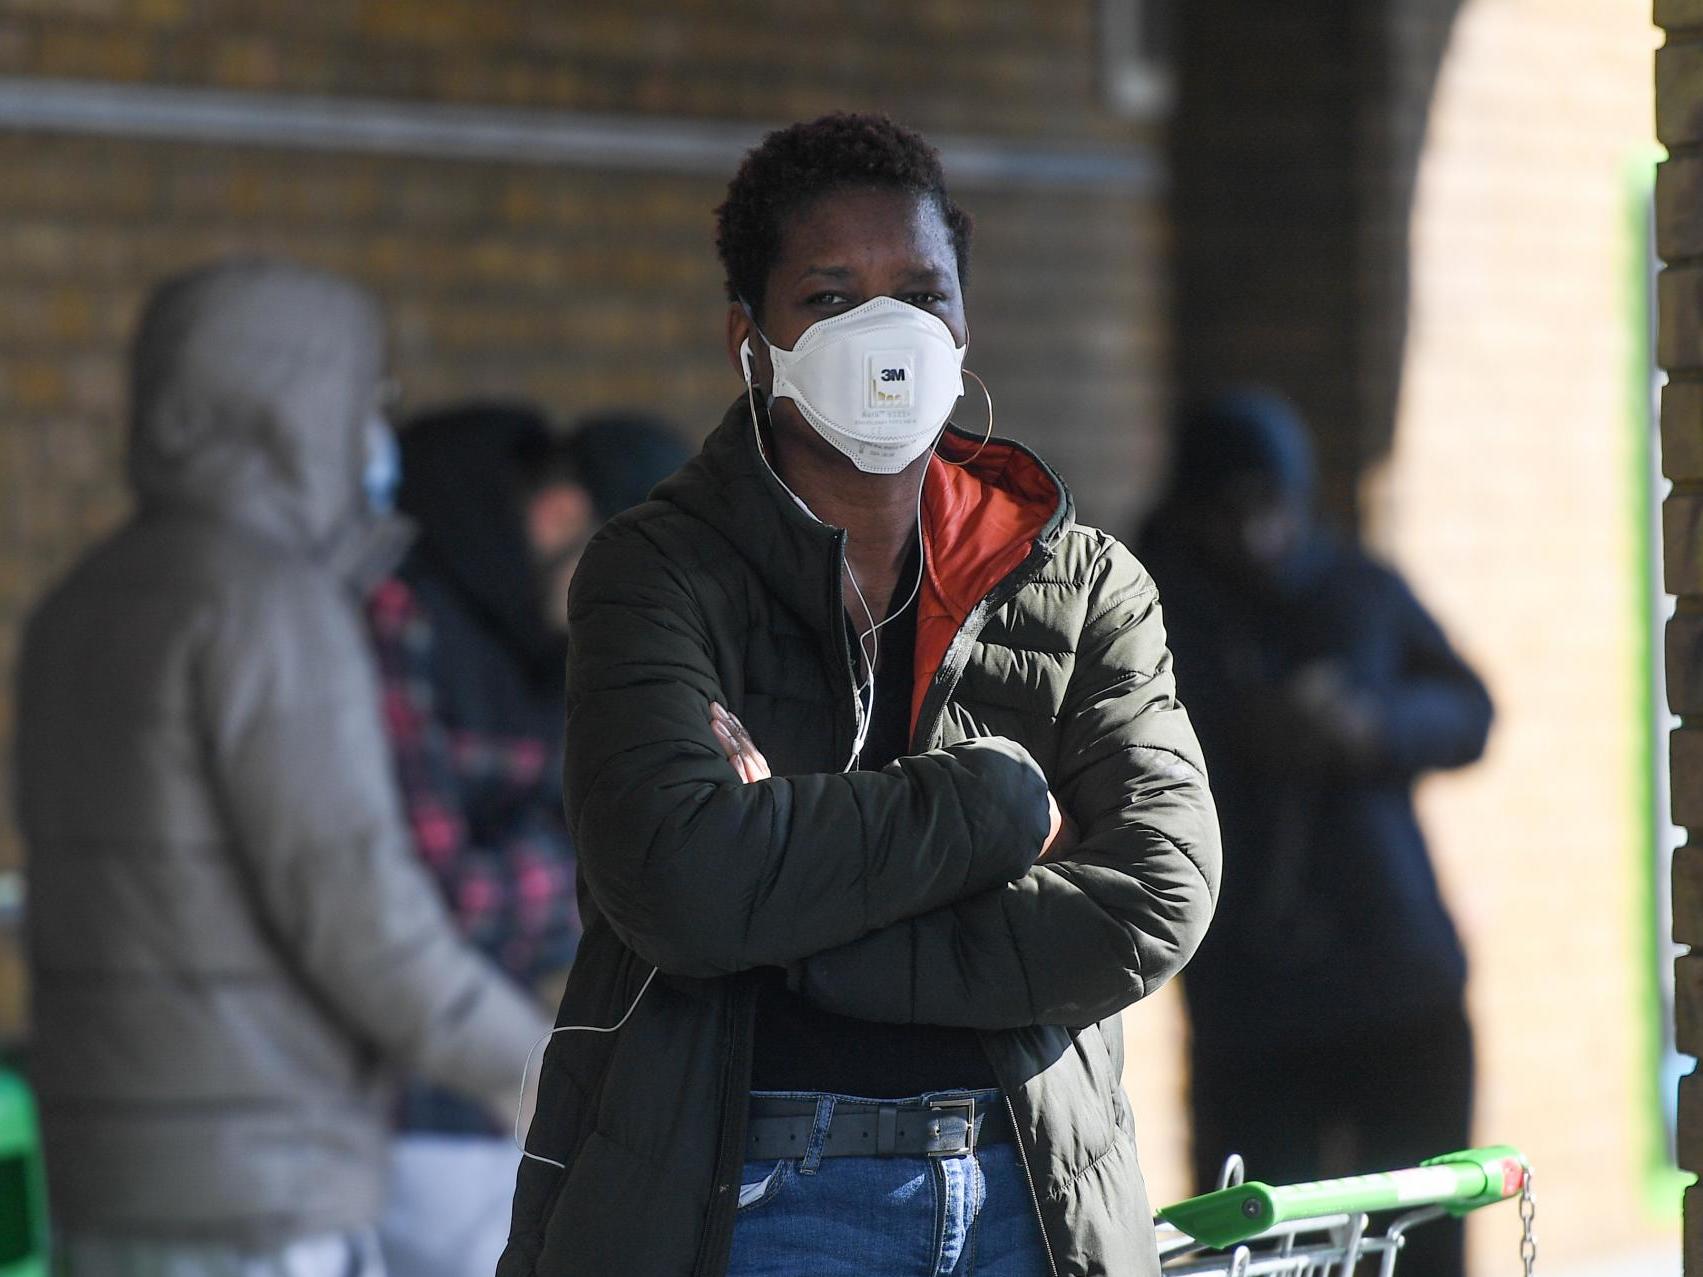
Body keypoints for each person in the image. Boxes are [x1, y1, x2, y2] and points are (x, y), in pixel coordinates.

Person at [499, 113, 1221, 1277]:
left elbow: (1155, 894)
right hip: (756, 1202)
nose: (885, 331)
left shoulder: (1083, 584)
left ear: (963, 323)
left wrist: (796, 929)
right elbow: (680, 885)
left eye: (919, 291)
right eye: (829, 296)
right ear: (750, 337)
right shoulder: (656, 571)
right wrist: (995, 812)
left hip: (1024, 1199)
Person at [13, 258, 548, 1277]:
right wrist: (531, 1063)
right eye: (362, 399)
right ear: (289, 406)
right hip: (258, 1182)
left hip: (111, 1164)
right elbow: (354, 905)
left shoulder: (80, 603)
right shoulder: (270, 608)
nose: (372, 436)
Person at [1137, 391, 1492, 1277]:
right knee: (1258, 1256)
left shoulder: (1354, 586)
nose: (1256, 535)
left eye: (1271, 508)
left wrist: (1368, 727)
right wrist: (1237, 732)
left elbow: (1467, 709)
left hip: (1395, 984)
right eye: (1231, 513)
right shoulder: (1150, 608)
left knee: (1421, 1248)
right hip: (1251, 1004)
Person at [368, 402, 688, 1277]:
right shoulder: (402, 609)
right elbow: (433, 900)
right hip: (385, 1118)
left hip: (500, 1096)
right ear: (557, 517)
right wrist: (592, 864)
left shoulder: (551, 636)